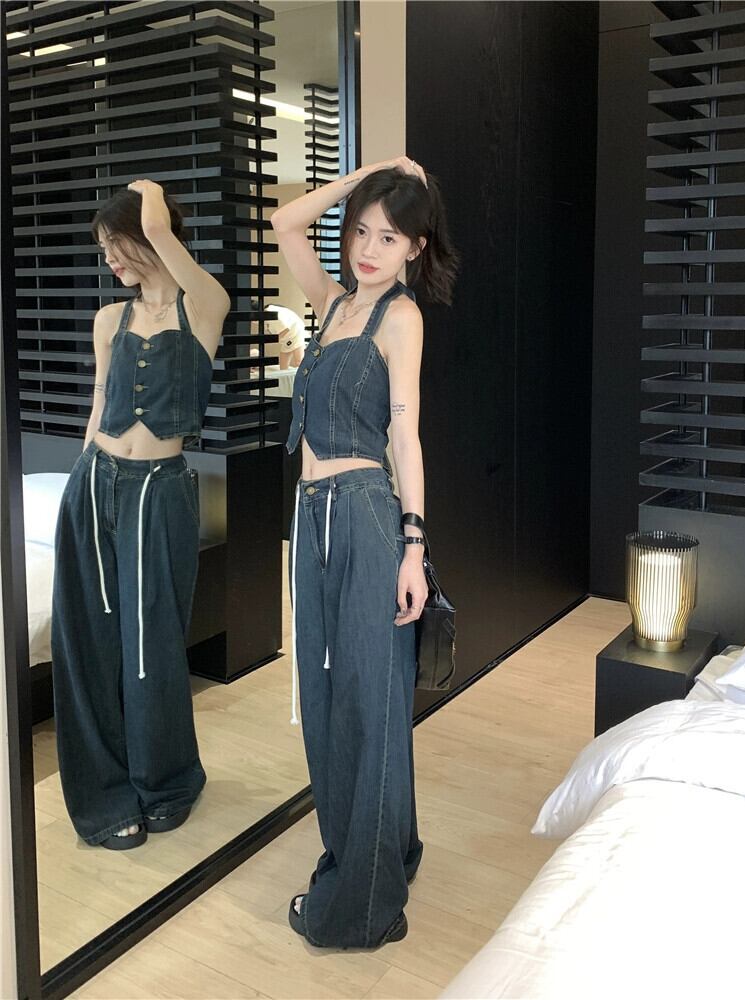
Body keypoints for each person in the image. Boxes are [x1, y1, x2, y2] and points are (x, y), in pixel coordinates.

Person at [271, 155, 458, 947]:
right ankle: (387, 852)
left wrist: (414, 548)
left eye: (388, 237)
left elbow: (404, 437)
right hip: (311, 518)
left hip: (364, 515)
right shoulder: (334, 304)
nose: (369, 249)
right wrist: (365, 175)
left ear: (416, 246)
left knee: (368, 704)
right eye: (360, 233)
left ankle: (362, 908)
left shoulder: (400, 318)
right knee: (326, 701)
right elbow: (284, 222)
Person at [51, 180, 230, 850]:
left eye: (115, 244)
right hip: (96, 482)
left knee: (154, 643)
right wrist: (78, 484)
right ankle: (104, 795)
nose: (110, 260)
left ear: (148, 234)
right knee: (90, 644)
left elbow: (161, 236)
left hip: (161, 490)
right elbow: (99, 406)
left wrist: (150, 197)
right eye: (103, 250)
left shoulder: (203, 307)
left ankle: (168, 781)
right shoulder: (110, 320)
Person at [266, 303, 306, 369]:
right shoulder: (270, 310)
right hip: (289, 336)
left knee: (299, 361)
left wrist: (274, 339)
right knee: (283, 366)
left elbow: (285, 329)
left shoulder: (270, 312)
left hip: (295, 332)